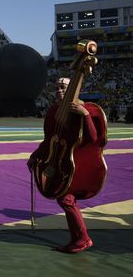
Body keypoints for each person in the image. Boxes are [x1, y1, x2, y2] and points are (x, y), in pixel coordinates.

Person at [28, 77, 106, 253]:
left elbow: (93, 139)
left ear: (74, 89)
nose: (59, 91)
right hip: (61, 161)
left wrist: (84, 114)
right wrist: (35, 156)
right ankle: (78, 238)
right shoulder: (53, 110)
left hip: (76, 164)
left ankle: (82, 238)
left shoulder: (85, 109)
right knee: (65, 199)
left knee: (65, 198)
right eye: (57, 87)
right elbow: (49, 139)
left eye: (63, 87)